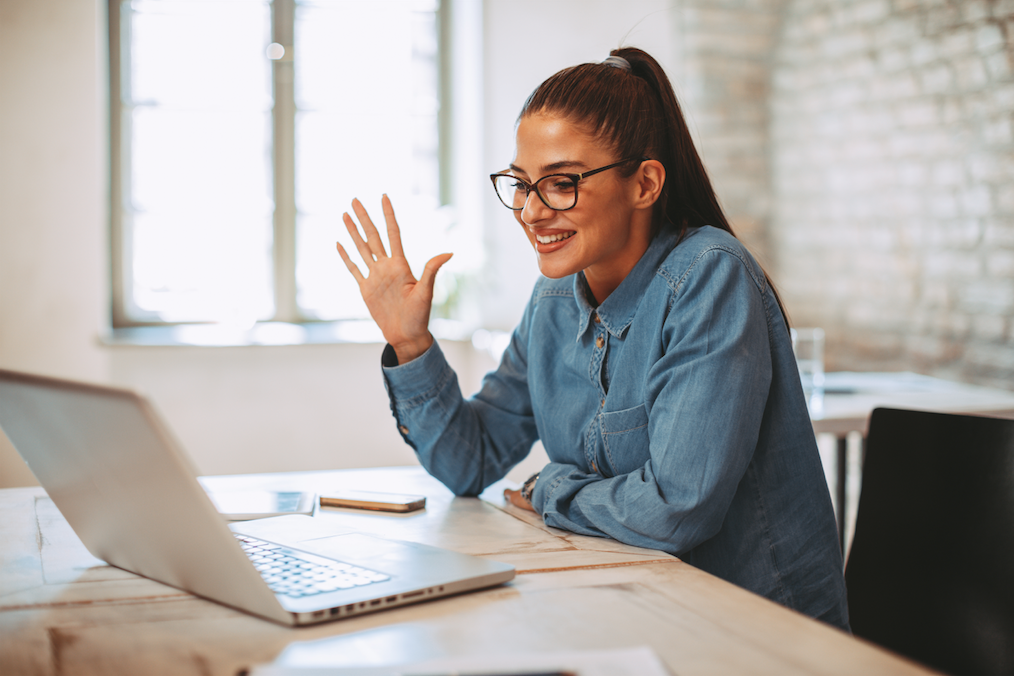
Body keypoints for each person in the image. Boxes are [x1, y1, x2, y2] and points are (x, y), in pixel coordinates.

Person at [336, 47, 850, 631]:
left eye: (560, 183)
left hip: (753, 634)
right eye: (521, 184)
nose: (530, 211)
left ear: (645, 184)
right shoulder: (553, 300)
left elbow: (676, 510)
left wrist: (553, 486)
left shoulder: (709, 275)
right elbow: (470, 461)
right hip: (629, 609)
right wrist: (410, 344)